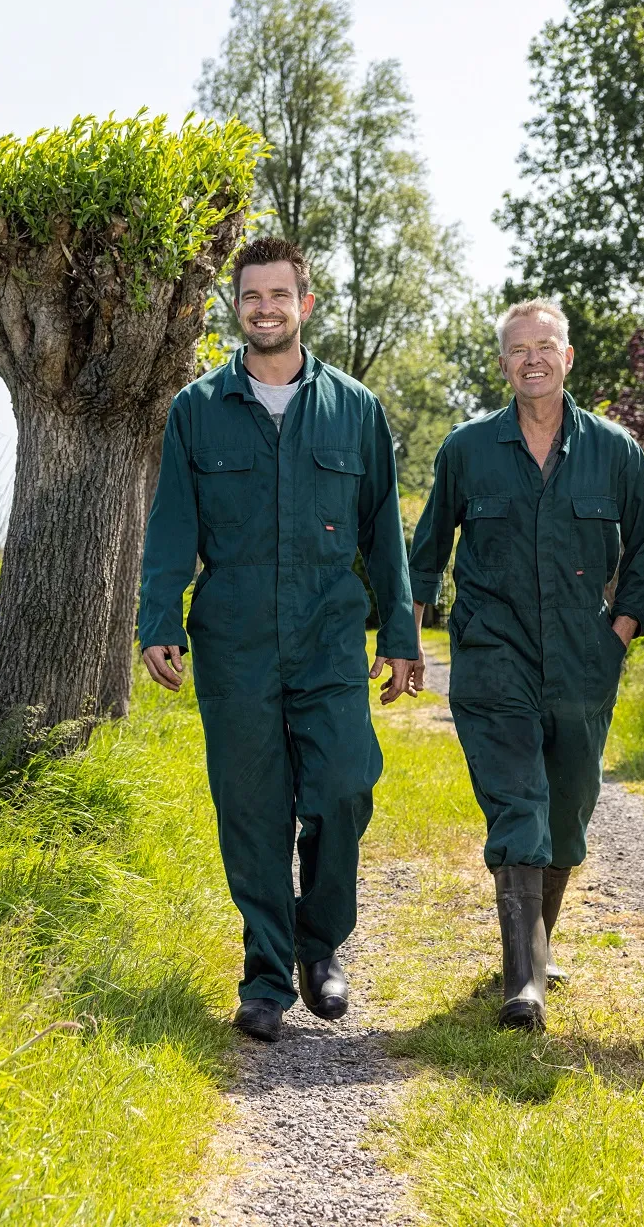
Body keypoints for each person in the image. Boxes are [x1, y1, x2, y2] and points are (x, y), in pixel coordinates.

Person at [137, 235, 424, 1043]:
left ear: (305, 302)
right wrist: (157, 616)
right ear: (237, 306)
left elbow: (382, 535)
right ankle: (265, 974)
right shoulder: (197, 409)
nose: (265, 307)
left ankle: (319, 942)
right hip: (233, 643)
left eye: (280, 294)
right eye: (250, 295)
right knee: (252, 809)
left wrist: (399, 632)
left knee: (342, 788)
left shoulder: (354, 408)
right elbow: (171, 528)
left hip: (329, 639)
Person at [407, 298, 644, 1031]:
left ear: (567, 357)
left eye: (544, 345)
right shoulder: (466, 448)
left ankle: (536, 942)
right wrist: (408, 639)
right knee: (518, 802)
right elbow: (425, 551)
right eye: (517, 348)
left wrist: (619, 628)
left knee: (567, 807)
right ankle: (522, 981)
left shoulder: (613, 450)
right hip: (493, 654)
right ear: (502, 364)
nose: (532, 358)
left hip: (584, 659)